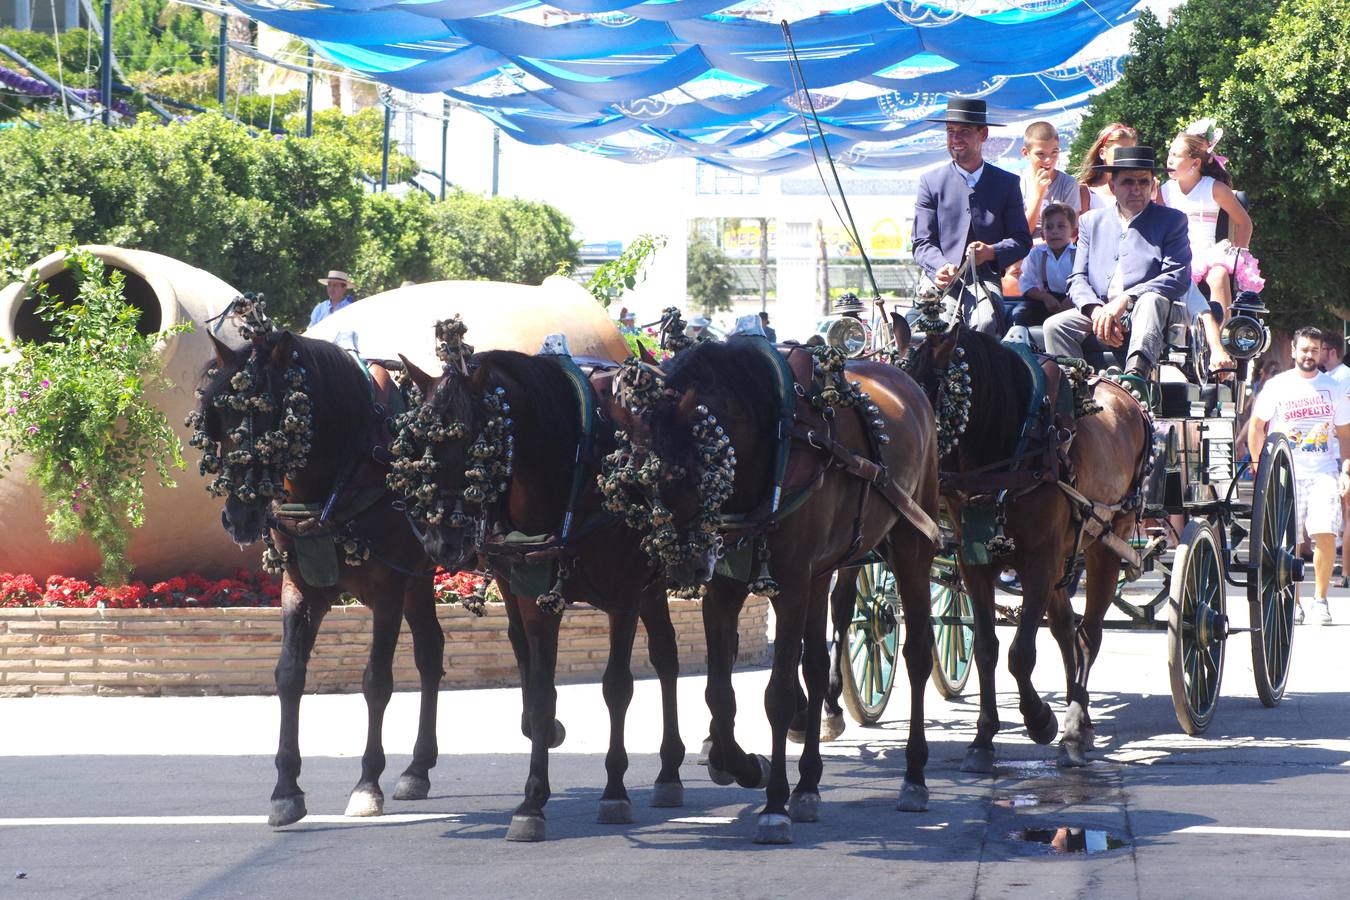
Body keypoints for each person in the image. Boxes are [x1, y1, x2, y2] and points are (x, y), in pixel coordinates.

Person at [1043, 146, 1190, 388]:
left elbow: (1176, 276)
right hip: (1101, 309)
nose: (1136, 189)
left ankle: (1136, 378)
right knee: (1054, 326)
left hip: (1148, 310)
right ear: (1112, 186)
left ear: (1153, 186)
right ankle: (1075, 392)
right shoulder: (1091, 221)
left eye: (1143, 182)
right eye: (1128, 182)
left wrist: (1125, 300)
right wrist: (1096, 310)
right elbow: (1077, 278)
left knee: (1151, 300)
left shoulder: (1172, 221)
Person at [1248, 327, 1350, 625]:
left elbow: (1344, 433)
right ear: (1293, 351)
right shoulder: (1278, 386)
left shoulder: (1333, 388)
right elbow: (1257, 426)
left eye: (1314, 350)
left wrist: (1346, 467)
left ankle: (1320, 599)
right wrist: (1258, 465)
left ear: (1321, 353)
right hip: (1285, 473)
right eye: (1304, 349)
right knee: (1287, 542)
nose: (1309, 355)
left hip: (1323, 472)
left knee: (1324, 533)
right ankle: (1296, 601)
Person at [911, 98, 1032, 336]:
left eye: (964, 132)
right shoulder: (930, 183)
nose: (955, 139)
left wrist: (991, 252)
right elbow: (921, 243)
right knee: (935, 329)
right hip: (940, 282)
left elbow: (1021, 240)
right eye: (950, 132)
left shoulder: (1007, 183)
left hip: (984, 280)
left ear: (983, 134)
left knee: (984, 323)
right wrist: (939, 266)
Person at [1161, 121, 1261, 320]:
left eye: (1176, 155)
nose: (1169, 160)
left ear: (1195, 163)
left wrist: (1239, 256)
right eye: (1169, 154)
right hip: (1176, 254)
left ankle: (1223, 332)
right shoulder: (1164, 191)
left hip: (1208, 254)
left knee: (1219, 275)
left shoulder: (1214, 188)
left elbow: (1244, 223)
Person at [1011, 202, 1076, 326]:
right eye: (1049, 227)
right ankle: (1019, 343)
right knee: (1020, 313)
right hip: (1045, 301)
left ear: (1073, 232)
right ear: (1042, 234)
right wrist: (1045, 297)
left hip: (1073, 303)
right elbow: (1026, 284)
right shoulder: (1036, 254)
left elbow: (1087, 283)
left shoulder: (1079, 255)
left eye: (1061, 226)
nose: (1054, 232)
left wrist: (1072, 300)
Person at [1020, 121, 1090, 237]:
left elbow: (1071, 235)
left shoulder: (1068, 184)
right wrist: (1038, 195)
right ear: (1026, 153)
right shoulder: (1017, 184)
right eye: (1041, 154)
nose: (1048, 160)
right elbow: (1022, 233)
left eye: (1054, 152)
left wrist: (1031, 246)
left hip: (1058, 254)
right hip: (1025, 254)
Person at [1323, 331, 1350, 587]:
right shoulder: (1332, 378)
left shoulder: (1342, 378)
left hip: (1341, 450)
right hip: (1333, 451)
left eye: (1320, 349)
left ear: (1331, 351)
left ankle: (1346, 573)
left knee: (1346, 511)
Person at [1075, 122, 1138, 210]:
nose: (1125, 158)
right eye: (1119, 152)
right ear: (1102, 153)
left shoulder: (1139, 189)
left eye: (1130, 153)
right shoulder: (1086, 192)